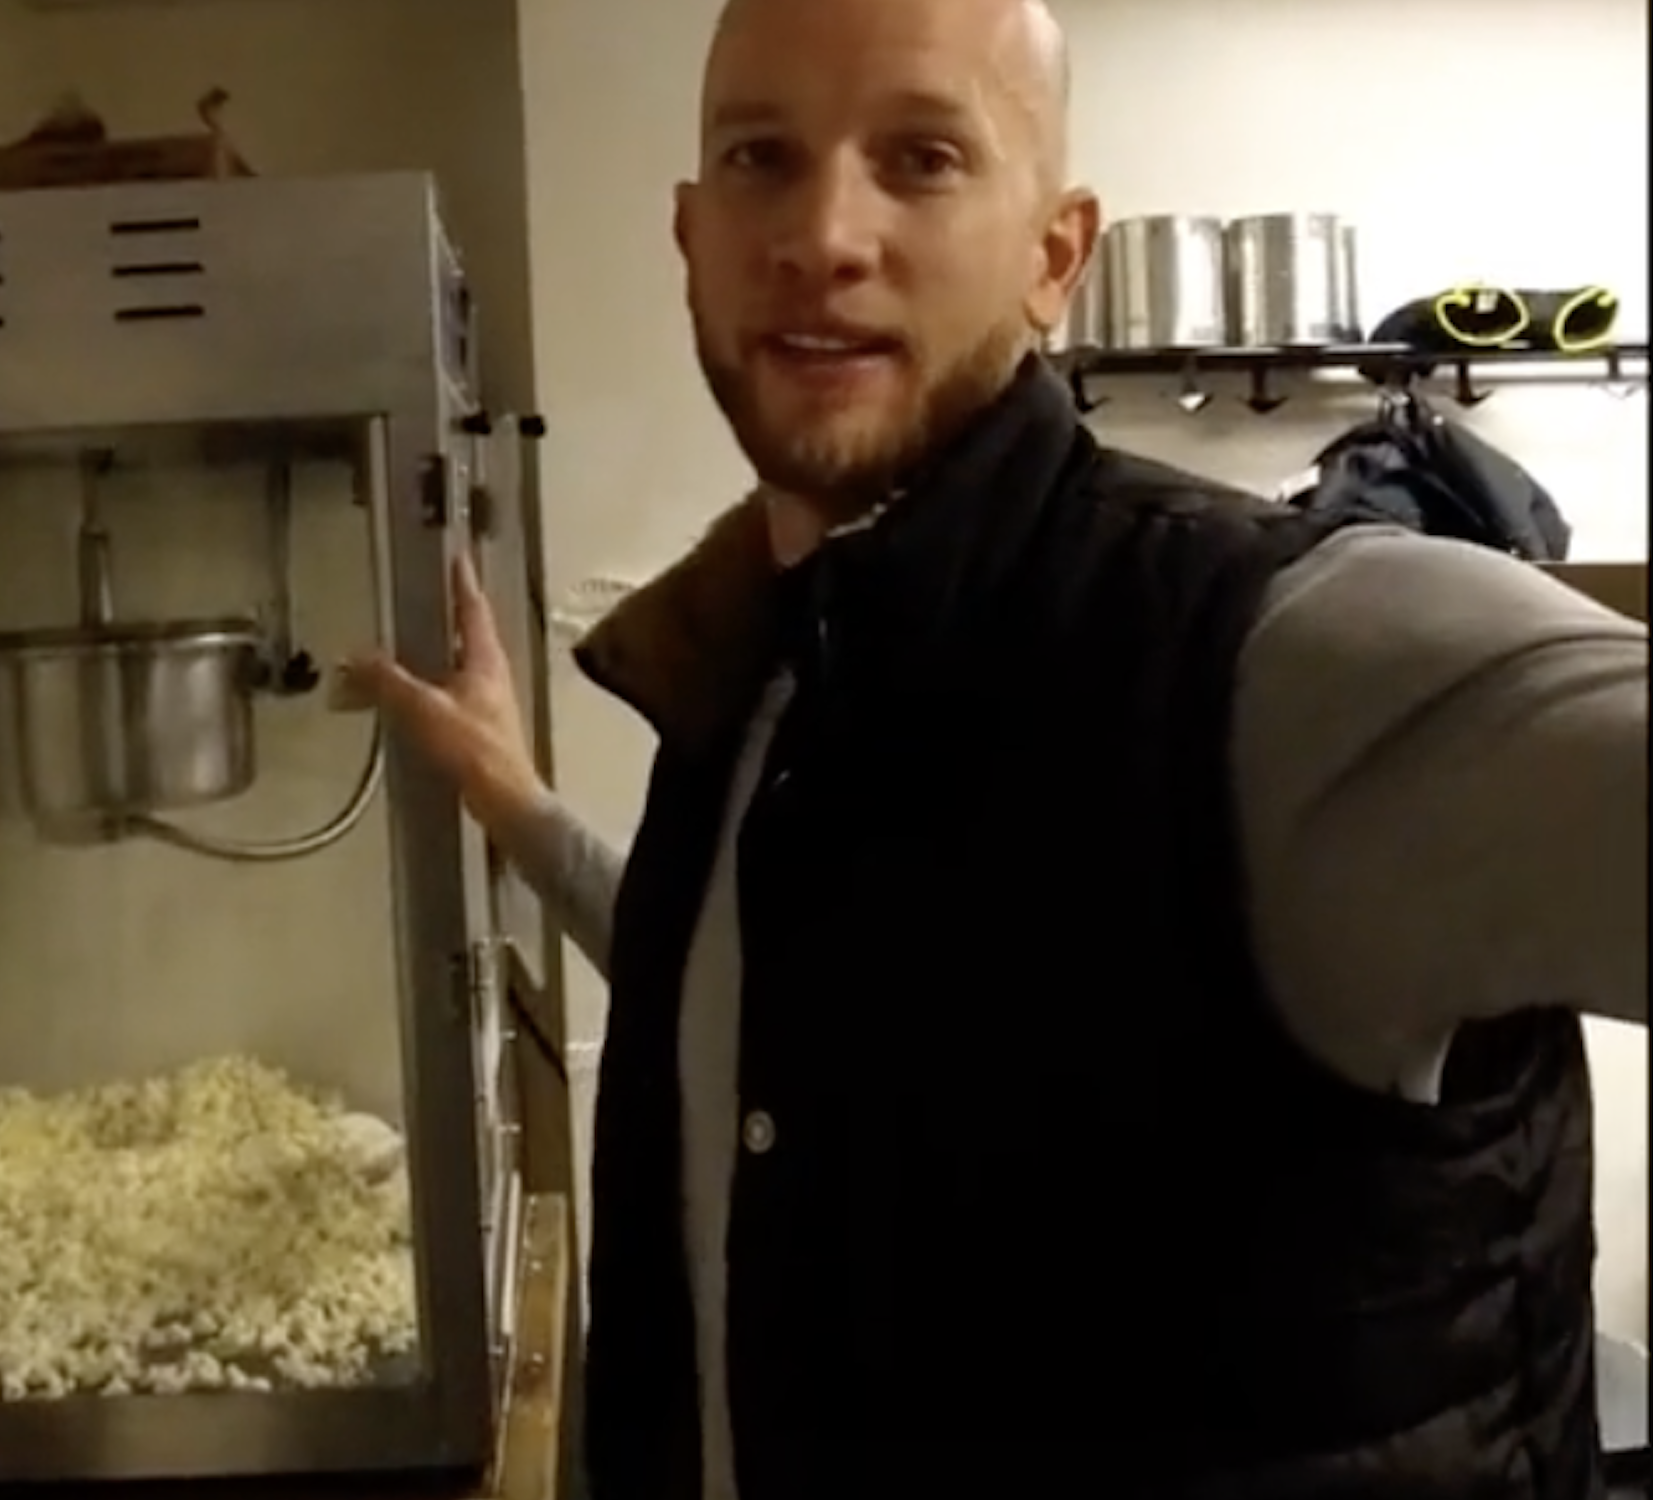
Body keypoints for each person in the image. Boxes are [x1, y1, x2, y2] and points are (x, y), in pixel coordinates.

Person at [344, 0, 1650, 1494]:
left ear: (1056, 255)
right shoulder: (762, 676)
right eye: (763, 157)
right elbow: (759, 996)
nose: (826, 232)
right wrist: (513, 798)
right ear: (692, 237)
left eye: (921, 157)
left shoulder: (1288, 661)